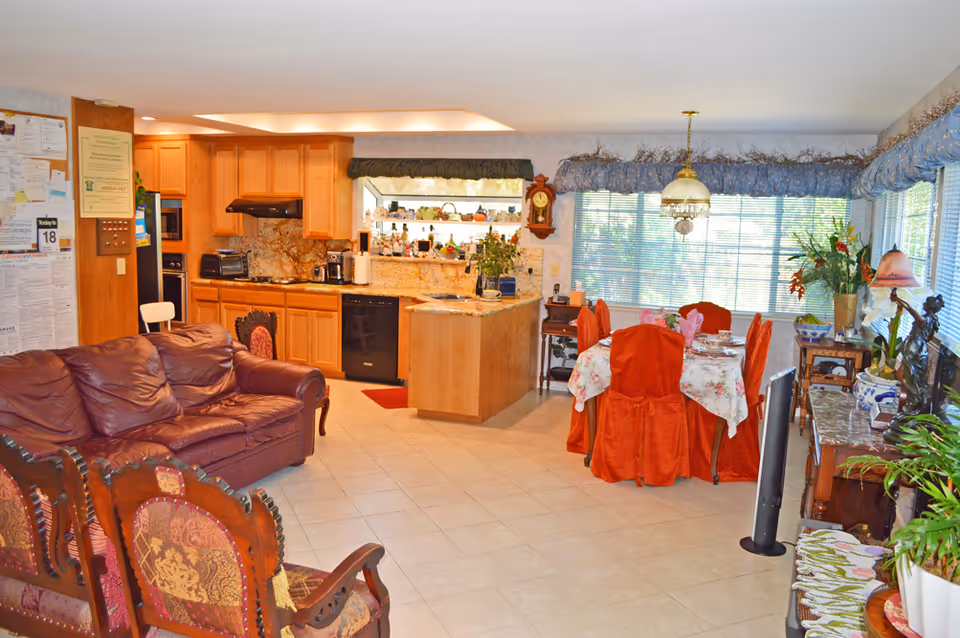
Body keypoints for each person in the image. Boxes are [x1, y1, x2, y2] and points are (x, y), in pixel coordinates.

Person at [886, 293, 944, 443]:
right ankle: (913, 406)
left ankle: (914, 407)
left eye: (926, 302)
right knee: (911, 377)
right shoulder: (933, 321)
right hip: (917, 350)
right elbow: (928, 337)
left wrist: (898, 299)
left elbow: (912, 311)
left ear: (929, 306)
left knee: (912, 378)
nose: (923, 303)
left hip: (915, 351)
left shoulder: (925, 319)